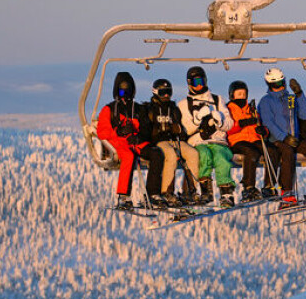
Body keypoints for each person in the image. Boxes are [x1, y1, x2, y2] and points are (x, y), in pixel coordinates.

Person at [258, 67, 306, 209]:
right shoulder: (266, 101)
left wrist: (299, 94)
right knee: (287, 152)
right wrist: (283, 137)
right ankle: (287, 192)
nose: (280, 87)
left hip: (294, 138)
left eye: (282, 83)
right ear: (269, 85)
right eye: (276, 85)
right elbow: (268, 123)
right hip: (275, 140)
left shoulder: (291, 98)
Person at [95, 71, 164, 210]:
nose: (125, 96)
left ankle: (153, 194)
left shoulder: (138, 109)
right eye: (122, 92)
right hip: (119, 143)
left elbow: (146, 128)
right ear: (116, 92)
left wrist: (139, 136)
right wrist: (118, 131)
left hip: (136, 142)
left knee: (156, 153)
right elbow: (102, 132)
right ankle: (123, 196)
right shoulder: (110, 109)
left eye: (128, 91)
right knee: (129, 157)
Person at [178, 66, 237, 208]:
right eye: (195, 82)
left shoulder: (217, 100)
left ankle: (226, 193)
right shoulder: (184, 104)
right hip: (198, 141)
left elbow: (230, 123)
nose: (199, 86)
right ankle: (206, 191)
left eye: (201, 81)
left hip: (218, 140)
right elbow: (185, 128)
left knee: (221, 157)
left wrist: (220, 121)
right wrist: (197, 121)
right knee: (203, 155)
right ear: (189, 83)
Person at [146, 78, 198, 207]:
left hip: (174, 140)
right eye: (163, 92)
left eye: (168, 92)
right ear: (156, 92)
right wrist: (156, 132)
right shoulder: (150, 109)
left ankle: (189, 192)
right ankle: (166, 192)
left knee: (193, 153)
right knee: (170, 155)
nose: (166, 95)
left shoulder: (173, 109)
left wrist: (178, 129)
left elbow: (181, 130)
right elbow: (146, 129)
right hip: (159, 142)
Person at [225, 80, 275, 202]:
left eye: (243, 94)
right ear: (232, 95)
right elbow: (227, 128)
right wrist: (240, 124)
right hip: (236, 140)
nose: (242, 97)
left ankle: (269, 185)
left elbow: (260, 124)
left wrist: (263, 131)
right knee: (251, 152)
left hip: (253, 138)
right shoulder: (228, 109)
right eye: (239, 94)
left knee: (271, 150)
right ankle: (248, 187)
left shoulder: (251, 109)